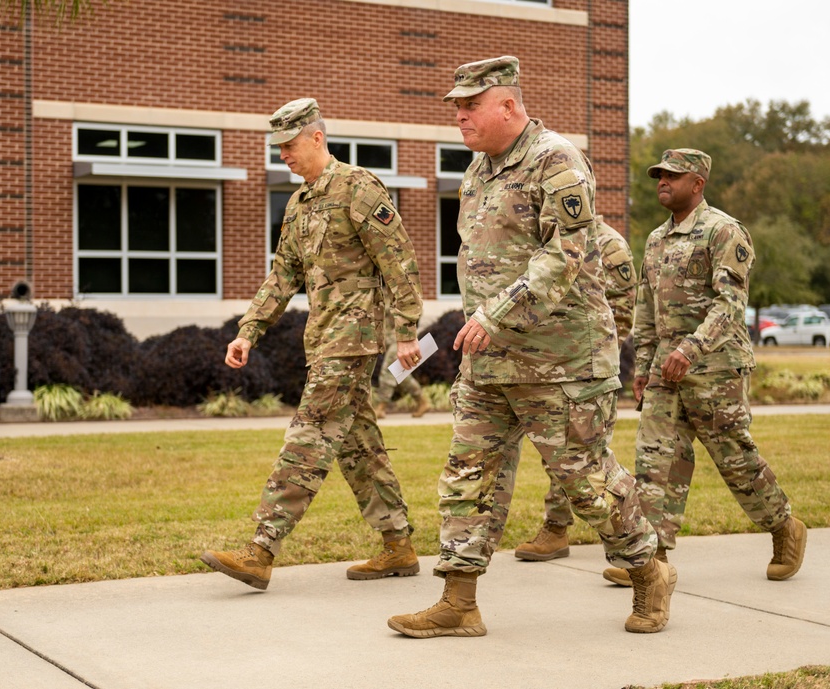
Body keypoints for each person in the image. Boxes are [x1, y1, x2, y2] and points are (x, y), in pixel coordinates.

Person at [387, 56, 674, 639]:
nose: (460, 118)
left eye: (470, 107)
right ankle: (458, 603)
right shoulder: (477, 172)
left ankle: (648, 571)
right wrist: (468, 324)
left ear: (509, 106)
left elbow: (565, 254)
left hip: (561, 360)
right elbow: (480, 262)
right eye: (456, 108)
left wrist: (497, 313)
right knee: (466, 475)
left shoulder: (558, 160)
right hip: (489, 361)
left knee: (584, 481)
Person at [200, 98, 425, 590]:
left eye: (289, 144)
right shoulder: (298, 205)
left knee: (310, 434)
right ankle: (398, 545)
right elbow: (283, 275)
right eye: (277, 146)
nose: (282, 154)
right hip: (323, 338)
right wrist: (247, 331)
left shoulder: (359, 187)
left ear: (317, 137)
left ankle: (260, 549)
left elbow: (400, 261)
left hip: (356, 336)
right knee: (358, 445)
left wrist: (407, 331)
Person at [601, 149, 807, 587]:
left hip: (715, 370)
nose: (662, 182)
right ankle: (649, 560)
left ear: (698, 183)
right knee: (656, 461)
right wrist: (643, 364)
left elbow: (729, 303)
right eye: (659, 175)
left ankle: (785, 527)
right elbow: (647, 309)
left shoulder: (724, 232)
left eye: (673, 176)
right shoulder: (657, 239)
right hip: (665, 372)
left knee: (735, 460)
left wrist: (691, 349)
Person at [514, 217, 637, 561]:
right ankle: (558, 529)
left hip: (587, 364)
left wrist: (596, 355)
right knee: (559, 454)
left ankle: (632, 541)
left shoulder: (610, 243)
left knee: (585, 459)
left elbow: (623, 309)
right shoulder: (543, 238)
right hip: (549, 361)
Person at [375, 292, 432, 419]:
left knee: (389, 370)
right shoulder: (383, 290)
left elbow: (414, 312)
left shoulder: (405, 291)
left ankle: (381, 406)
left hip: (402, 338)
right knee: (399, 372)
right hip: (389, 338)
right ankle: (421, 401)